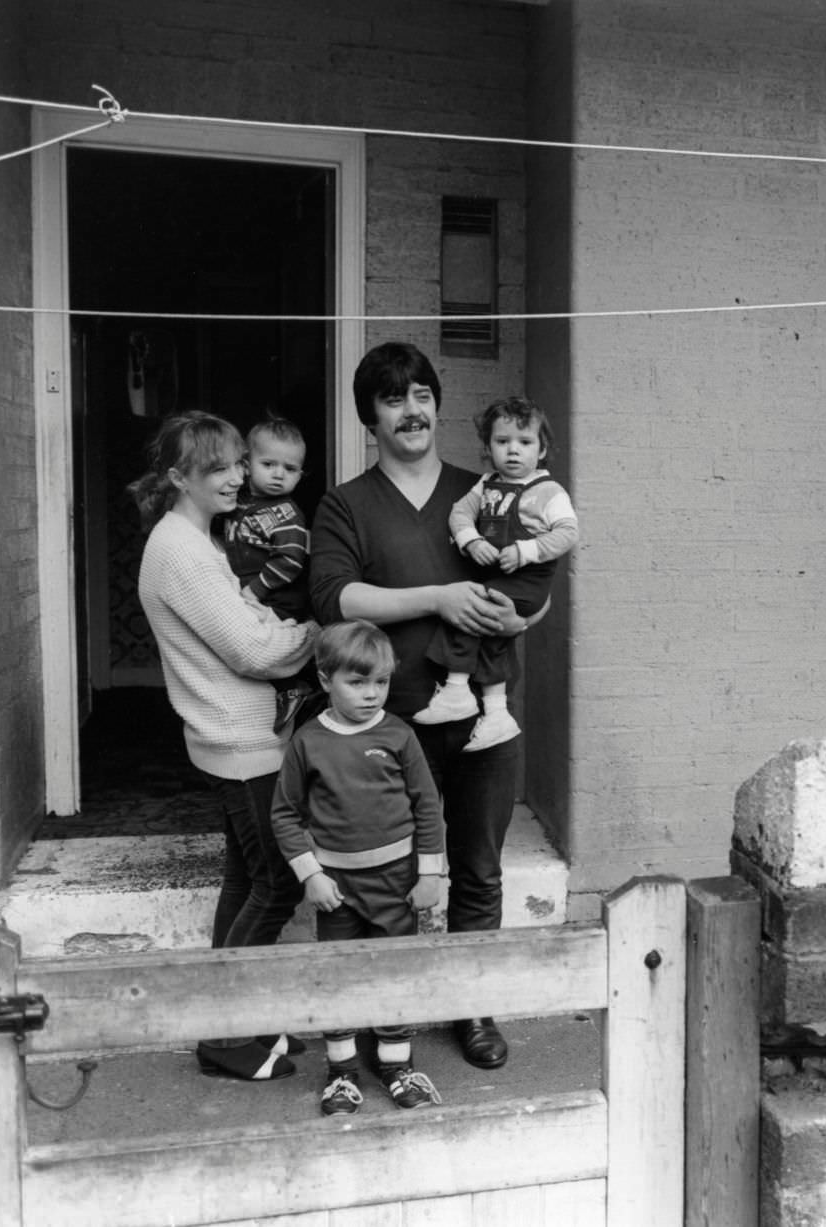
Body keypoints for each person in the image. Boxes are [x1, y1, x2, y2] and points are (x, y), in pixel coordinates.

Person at [309, 341, 539, 1072]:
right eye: (391, 398)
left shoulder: (491, 491)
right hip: (383, 727)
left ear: (436, 404)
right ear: (369, 418)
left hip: (481, 720)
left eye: (420, 394)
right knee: (388, 875)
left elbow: (536, 580)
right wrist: (437, 597)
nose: (411, 410)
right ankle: (386, 1013)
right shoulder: (347, 503)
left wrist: (519, 617)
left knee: (479, 866)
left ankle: (472, 1006)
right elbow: (334, 598)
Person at [129, 410, 316, 1082]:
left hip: (231, 738)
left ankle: (245, 1024)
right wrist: (317, 631)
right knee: (278, 882)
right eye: (220, 467)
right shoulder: (179, 548)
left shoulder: (193, 539)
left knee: (245, 878)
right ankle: (225, 1037)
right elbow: (253, 646)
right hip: (239, 742)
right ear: (180, 475)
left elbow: (247, 617)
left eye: (240, 462)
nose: (237, 477)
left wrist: (273, 623)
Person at [271, 621, 446, 1115]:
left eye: (381, 682)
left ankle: (397, 1066)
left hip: (397, 880)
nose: (372, 695)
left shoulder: (398, 735)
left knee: (394, 970)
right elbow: (284, 813)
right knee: (339, 972)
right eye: (357, 682)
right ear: (326, 680)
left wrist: (430, 873)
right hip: (338, 886)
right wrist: (311, 875)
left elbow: (427, 806)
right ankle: (342, 1072)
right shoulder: (308, 742)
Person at [413, 396, 578, 752]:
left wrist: (525, 550)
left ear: (543, 448)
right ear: (488, 447)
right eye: (502, 442)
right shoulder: (486, 485)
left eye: (525, 442)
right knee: (491, 636)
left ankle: (457, 689)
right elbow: (459, 514)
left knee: (471, 610)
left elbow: (567, 532)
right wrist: (471, 541)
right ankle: (496, 714)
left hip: (528, 580)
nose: (513, 451)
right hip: (500, 577)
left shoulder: (548, 492)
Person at [223, 416, 319, 733]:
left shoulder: (287, 514)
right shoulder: (238, 504)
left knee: (268, 644)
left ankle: (293, 687)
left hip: (279, 597)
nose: (279, 474)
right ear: (247, 464)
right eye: (269, 464)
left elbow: (291, 560)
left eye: (290, 469)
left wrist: (255, 591)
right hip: (252, 591)